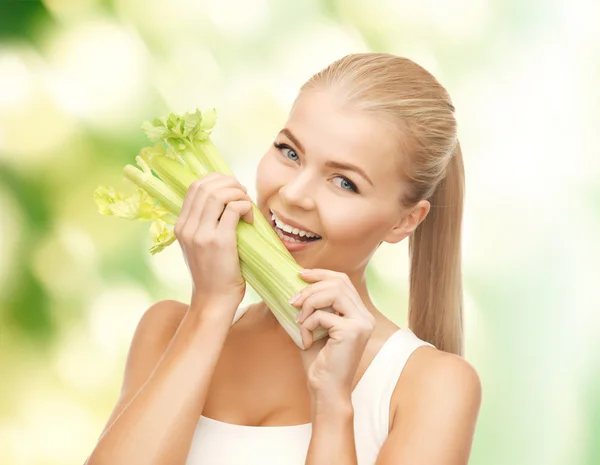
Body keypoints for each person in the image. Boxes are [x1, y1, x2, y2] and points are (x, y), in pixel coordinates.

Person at [85, 52, 482, 465]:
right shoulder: (167, 331)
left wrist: (332, 405)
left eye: (344, 182)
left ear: (404, 222)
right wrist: (210, 307)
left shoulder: (431, 386)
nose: (292, 194)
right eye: (290, 153)